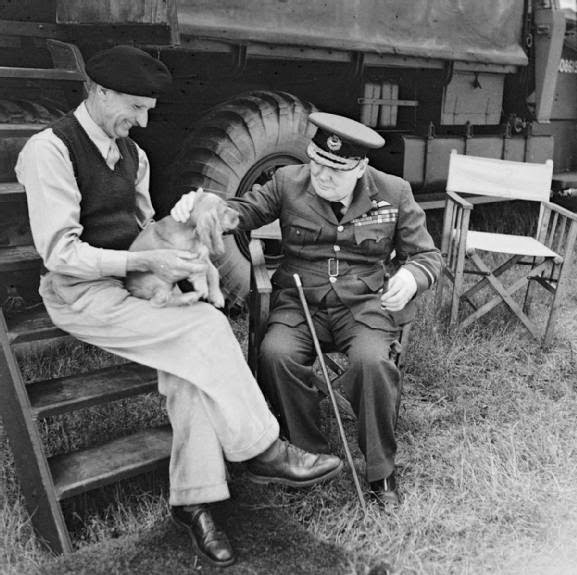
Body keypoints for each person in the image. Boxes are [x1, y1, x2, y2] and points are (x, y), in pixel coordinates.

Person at [15, 46, 343, 568]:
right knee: (206, 329)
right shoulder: (49, 149)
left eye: (148, 110)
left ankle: (197, 503)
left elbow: (144, 230)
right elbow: (60, 253)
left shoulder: (134, 155)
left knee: (191, 369)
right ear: (98, 92)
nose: (143, 121)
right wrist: (141, 266)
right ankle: (263, 449)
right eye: (135, 107)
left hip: (138, 284)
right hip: (81, 295)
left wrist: (186, 231)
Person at [172, 112, 442, 507]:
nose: (321, 175)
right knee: (275, 354)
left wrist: (412, 276)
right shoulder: (288, 181)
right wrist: (204, 206)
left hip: (362, 307)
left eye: (334, 169)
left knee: (371, 363)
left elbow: (429, 255)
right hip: (300, 302)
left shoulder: (394, 192)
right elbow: (242, 211)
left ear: (361, 167)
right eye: (316, 161)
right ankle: (309, 454)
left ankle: (381, 472)